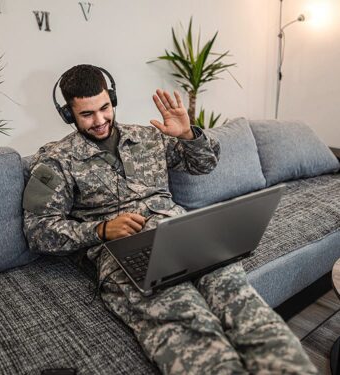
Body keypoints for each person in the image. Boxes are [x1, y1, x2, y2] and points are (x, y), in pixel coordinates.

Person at [23, 64, 317, 374]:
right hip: (124, 252)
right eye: (86, 114)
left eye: (104, 108)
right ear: (69, 114)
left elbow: (205, 164)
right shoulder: (56, 160)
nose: (100, 120)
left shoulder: (149, 137)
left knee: (246, 308)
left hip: (185, 235)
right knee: (189, 327)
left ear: (112, 99)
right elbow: (38, 231)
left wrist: (189, 134)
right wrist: (101, 229)